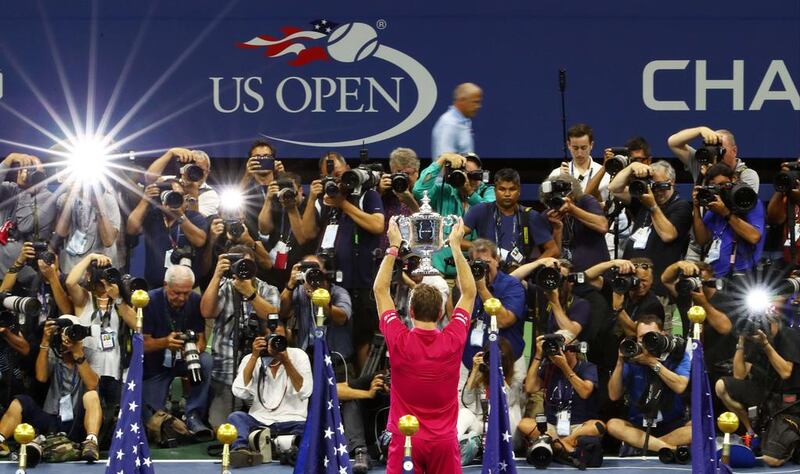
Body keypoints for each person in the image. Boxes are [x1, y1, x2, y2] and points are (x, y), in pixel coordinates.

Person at [373, 216, 475, 473]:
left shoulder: (398, 339)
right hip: (443, 442)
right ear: (442, 313)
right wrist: (455, 246)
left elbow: (380, 290)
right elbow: (470, 293)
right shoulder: (453, 339)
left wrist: (393, 247)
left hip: (406, 439)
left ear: (410, 310)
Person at [301, 152, 384, 370]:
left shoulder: (367, 194)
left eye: (339, 174)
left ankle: (364, 394)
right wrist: (312, 198)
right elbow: (305, 234)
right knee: (335, 339)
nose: (337, 181)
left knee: (362, 340)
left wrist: (343, 204)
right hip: (333, 283)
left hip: (362, 283)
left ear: (348, 167)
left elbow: (377, 225)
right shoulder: (324, 199)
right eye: (331, 177)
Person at [0, 316, 102, 462]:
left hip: (77, 419)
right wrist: (45, 342)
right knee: (21, 401)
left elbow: (92, 384)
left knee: (91, 395)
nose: (66, 338)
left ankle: (91, 442)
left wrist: (77, 354)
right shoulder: (53, 353)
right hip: (51, 418)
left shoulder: (88, 353)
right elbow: (41, 377)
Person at [200, 245, 280, 427]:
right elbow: (206, 311)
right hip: (225, 372)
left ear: (254, 266)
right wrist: (216, 275)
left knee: (264, 427)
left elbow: (272, 316)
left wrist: (250, 293)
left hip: (261, 372)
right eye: (237, 263)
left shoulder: (268, 290)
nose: (242, 268)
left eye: (246, 263)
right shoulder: (223, 286)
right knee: (221, 428)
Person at [714, 312, 800, 467]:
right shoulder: (756, 339)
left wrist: (766, 345)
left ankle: (794, 441)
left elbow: (785, 372)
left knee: (771, 460)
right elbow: (739, 375)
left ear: (772, 322)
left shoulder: (789, 335)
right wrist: (741, 340)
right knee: (722, 386)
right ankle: (751, 432)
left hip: (790, 405)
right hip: (767, 396)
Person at [227, 319, 311, 467]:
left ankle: (291, 451)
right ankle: (241, 450)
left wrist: (286, 361)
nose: (276, 343)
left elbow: (305, 391)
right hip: (259, 421)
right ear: (260, 340)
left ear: (287, 335)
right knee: (236, 417)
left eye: (280, 337)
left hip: (294, 420)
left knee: (310, 427)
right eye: (271, 338)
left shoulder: (299, 356)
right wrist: (254, 357)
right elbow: (239, 392)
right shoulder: (251, 359)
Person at [141, 265, 212, 436]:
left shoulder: (195, 300)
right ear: (165, 285)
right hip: (155, 365)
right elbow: (142, 344)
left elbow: (202, 340)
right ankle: (165, 414)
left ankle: (193, 414)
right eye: (176, 293)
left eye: (186, 293)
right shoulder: (149, 301)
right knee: (152, 419)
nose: (181, 298)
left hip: (185, 360)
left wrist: (192, 350)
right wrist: (165, 342)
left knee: (206, 361)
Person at [607, 314, 691, 456]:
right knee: (613, 425)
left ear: (662, 335)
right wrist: (619, 362)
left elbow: (680, 386)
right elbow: (613, 395)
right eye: (641, 338)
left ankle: (642, 447)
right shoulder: (631, 358)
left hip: (671, 424)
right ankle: (668, 449)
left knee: (697, 429)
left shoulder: (677, 355)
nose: (645, 342)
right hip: (639, 425)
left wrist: (652, 363)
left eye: (650, 336)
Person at [610, 160, 692, 298]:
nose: (657, 191)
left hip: (658, 287)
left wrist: (653, 206)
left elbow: (668, 235)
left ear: (671, 182)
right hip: (631, 284)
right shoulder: (643, 199)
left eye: (661, 185)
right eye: (653, 185)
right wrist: (631, 167)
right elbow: (614, 188)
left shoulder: (681, 206)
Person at [65, 253, 137, 408]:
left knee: (111, 418)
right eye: (99, 284)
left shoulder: (119, 302)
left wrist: (118, 298)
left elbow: (136, 324)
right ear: (92, 281)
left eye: (107, 283)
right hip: (88, 370)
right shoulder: (85, 298)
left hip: (114, 372)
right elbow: (70, 283)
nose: (104, 289)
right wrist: (90, 257)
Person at [519, 330, 604, 455]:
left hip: (578, 427)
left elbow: (585, 392)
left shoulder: (587, 367)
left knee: (598, 426)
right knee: (524, 424)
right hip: (551, 427)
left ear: (572, 349)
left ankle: (557, 445)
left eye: (560, 348)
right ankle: (566, 446)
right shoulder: (549, 368)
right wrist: (538, 355)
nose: (556, 352)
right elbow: (530, 387)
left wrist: (564, 367)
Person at [413, 152, 494, 277]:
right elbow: (419, 190)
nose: (467, 179)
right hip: (442, 268)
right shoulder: (443, 191)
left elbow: (491, 212)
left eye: (473, 175)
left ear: (480, 175)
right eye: (463, 174)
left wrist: (469, 193)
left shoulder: (488, 191)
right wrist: (441, 160)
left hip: (477, 268)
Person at [463, 168, 559, 269]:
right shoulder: (480, 210)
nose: (507, 194)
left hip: (519, 277)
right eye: (502, 189)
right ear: (495, 191)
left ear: (519, 191)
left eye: (512, 189)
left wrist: (530, 268)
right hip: (486, 274)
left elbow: (553, 250)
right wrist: (480, 247)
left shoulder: (530, 215)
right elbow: (455, 239)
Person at [126, 178, 208, 288]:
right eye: (172, 195)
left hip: (187, 288)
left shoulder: (193, 217)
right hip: (156, 287)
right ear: (162, 198)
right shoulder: (153, 216)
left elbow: (200, 241)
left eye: (180, 195)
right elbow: (131, 229)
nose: (176, 199)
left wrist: (179, 216)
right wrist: (145, 200)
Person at [462, 240, 527, 376]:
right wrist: (460, 285)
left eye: (487, 263)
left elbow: (504, 320)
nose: (483, 268)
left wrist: (482, 288)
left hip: (507, 368)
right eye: (478, 264)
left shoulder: (512, 285)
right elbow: (455, 318)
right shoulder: (467, 286)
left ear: (497, 260)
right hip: (471, 367)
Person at [692, 163, 765, 277]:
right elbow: (702, 240)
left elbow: (754, 237)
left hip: (742, 276)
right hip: (715, 276)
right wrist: (696, 207)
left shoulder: (748, 202)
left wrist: (725, 212)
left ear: (734, 179)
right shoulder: (715, 207)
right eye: (715, 187)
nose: (720, 190)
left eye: (723, 185)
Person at [458, 337, 523, 465]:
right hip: (482, 426)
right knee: (465, 413)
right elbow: (466, 400)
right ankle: (455, 445)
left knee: (508, 414)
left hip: (504, 430)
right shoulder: (479, 377)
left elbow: (507, 400)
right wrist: (475, 369)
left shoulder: (515, 381)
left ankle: (473, 444)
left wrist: (498, 373)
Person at [0, 153, 57, 274]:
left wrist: (23, 190)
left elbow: (25, 226)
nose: (32, 175)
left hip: (27, 273)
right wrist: (8, 160)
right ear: (20, 173)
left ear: (44, 175)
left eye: (37, 171)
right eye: (28, 170)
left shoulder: (49, 198)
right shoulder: (10, 189)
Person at [258, 170, 315, 289]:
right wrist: (268, 199)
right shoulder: (278, 205)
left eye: (290, 188)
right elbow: (264, 229)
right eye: (283, 188)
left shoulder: (309, 208)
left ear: (300, 190)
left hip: (301, 273)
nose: (287, 192)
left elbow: (303, 238)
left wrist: (291, 207)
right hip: (277, 273)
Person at [540, 174, 609, 271]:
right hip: (565, 277)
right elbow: (554, 254)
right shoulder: (548, 216)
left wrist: (572, 210)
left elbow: (603, 226)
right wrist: (557, 229)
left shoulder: (586, 201)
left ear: (572, 194)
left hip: (596, 272)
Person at [584, 258, 665, 336]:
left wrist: (619, 310)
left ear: (652, 280)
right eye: (636, 280)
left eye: (644, 280)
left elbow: (637, 334)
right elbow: (587, 276)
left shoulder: (653, 305)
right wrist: (612, 263)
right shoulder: (619, 288)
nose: (640, 285)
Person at [54, 179, 121, 273]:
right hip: (72, 265)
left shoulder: (108, 199)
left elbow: (108, 241)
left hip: (100, 265)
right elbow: (62, 232)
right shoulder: (66, 198)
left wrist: (99, 204)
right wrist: (70, 194)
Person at [667, 126, 758, 191]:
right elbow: (673, 143)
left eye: (720, 150)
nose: (716, 155)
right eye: (713, 149)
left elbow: (742, 207)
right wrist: (700, 130)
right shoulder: (702, 166)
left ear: (734, 151)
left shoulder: (747, 175)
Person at [146, 147, 220, 216]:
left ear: (207, 173)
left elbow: (198, 224)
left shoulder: (210, 195)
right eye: (192, 167)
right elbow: (149, 178)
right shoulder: (171, 180)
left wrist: (193, 194)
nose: (194, 172)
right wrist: (170, 153)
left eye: (200, 169)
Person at [377, 147, 420, 252]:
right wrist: (379, 192)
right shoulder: (383, 192)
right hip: (384, 254)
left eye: (407, 173)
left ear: (417, 173)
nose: (403, 177)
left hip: (413, 256)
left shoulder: (423, 194)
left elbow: (427, 226)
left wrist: (410, 200)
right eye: (399, 173)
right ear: (391, 172)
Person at [431, 83, 482, 158]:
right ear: (462, 100)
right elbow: (444, 161)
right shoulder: (449, 124)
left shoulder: (463, 122)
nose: (478, 106)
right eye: (475, 102)